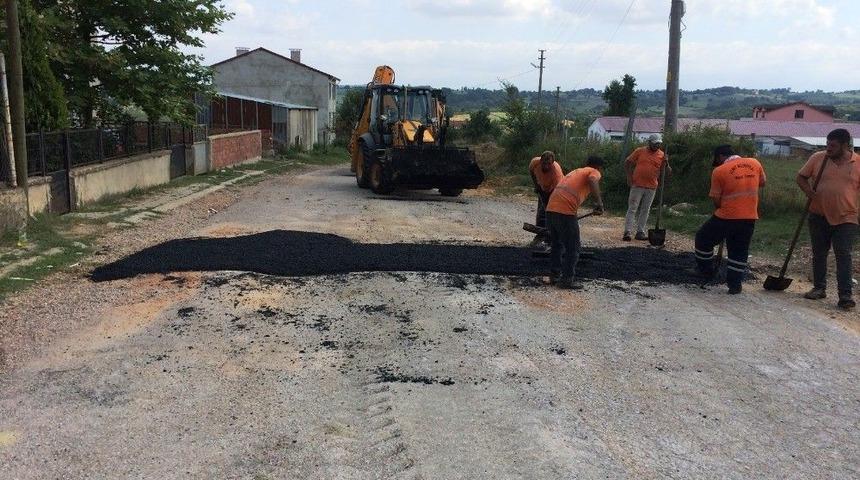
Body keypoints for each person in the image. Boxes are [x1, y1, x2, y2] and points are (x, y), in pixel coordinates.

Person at [796, 128, 860, 310]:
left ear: (845, 145)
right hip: (818, 215)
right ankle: (819, 288)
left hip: (846, 217)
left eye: (833, 145)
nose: (828, 148)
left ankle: (845, 296)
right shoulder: (818, 158)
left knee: (844, 255)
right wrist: (808, 191)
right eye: (827, 144)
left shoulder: (858, 163)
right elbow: (801, 177)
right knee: (819, 253)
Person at [693, 145, 766, 294]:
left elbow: (716, 200)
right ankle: (734, 285)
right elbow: (762, 182)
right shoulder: (755, 163)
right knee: (739, 251)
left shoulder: (719, 171)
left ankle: (705, 270)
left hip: (726, 217)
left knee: (703, 239)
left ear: (720, 157)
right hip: (749, 217)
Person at [545, 156, 605, 289]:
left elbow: (568, 193)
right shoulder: (593, 172)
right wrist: (599, 203)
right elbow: (592, 180)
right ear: (599, 167)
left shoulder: (577, 171)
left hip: (550, 209)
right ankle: (566, 280)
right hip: (564, 211)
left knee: (557, 244)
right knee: (573, 247)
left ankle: (554, 275)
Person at [623, 134, 671, 241]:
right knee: (632, 208)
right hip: (637, 184)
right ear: (649, 142)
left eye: (658, 144)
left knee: (645, 209)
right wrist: (628, 177)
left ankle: (640, 232)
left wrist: (666, 164)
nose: (657, 146)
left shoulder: (662, 155)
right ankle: (627, 232)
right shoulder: (640, 151)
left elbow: (668, 172)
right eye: (655, 144)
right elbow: (628, 162)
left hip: (651, 186)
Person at [528, 151, 564, 245]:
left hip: (556, 190)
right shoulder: (535, 162)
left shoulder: (556, 173)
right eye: (544, 163)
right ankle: (540, 234)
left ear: (552, 163)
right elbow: (531, 171)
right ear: (540, 161)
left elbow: (557, 191)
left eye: (549, 164)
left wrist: (548, 201)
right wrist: (537, 185)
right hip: (543, 187)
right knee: (541, 212)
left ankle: (551, 237)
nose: (546, 166)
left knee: (551, 212)